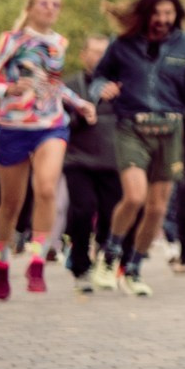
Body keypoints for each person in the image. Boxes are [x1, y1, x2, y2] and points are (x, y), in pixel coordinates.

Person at [93, 0, 185, 296]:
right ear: (146, 14)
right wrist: (102, 88)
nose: (163, 20)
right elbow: (98, 77)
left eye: (169, 14)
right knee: (134, 197)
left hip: (170, 129)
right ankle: (109, 256)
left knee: (158, 208)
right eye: (157, 13)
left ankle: (133, 269)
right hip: (132, 126)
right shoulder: (122, 45)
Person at [0, 0, 97, 297]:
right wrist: (6, 90)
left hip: (50, 124)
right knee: (11, 203)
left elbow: (54, 85)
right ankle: (0, 263)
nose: (50, 9)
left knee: (47, 188)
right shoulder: (11, 40)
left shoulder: (58, 43)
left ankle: (37, 261)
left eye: (55, 4)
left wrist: (79, 103)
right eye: (43, 3)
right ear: (31, 7)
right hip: (13, 126)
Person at [61, 31, 121, 293]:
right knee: (83, 210)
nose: (98, 58)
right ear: (83, 54)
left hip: (113, 160)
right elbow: (59, 123)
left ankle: (102, 261)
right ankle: (80, 266)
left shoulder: (119, 85)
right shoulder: (71, 85)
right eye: (94, 52)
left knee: (111, 214)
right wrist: (81, 117)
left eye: (103, 53)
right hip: (78, 160)